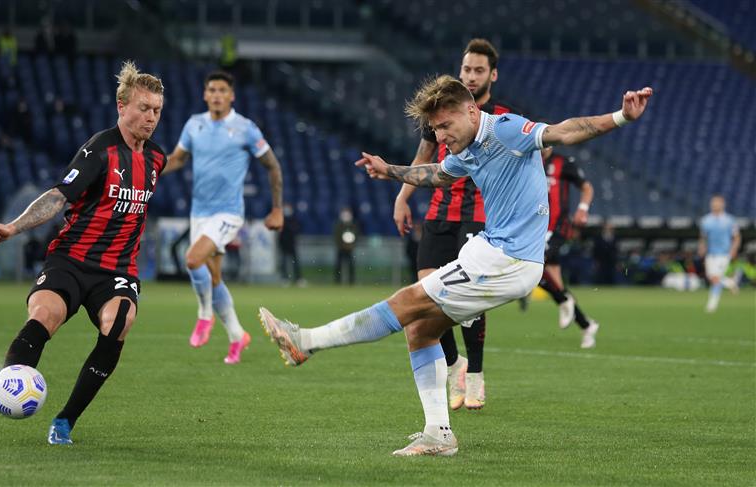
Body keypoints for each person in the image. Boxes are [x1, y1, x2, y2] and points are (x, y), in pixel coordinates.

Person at [260, 75, 653, 456]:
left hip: (509, 258)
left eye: (445, 126)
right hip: (492, 250)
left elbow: (565, 132)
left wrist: (621, 117)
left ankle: (306, 342)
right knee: (421, 330)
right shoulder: (466, 150)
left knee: (406, 302)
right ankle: (439, 433)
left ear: (469, 110)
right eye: (436, 129)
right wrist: (390, 170)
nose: (441, 136)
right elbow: (437, 174)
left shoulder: (505, 130)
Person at [0, 61, 165, 445]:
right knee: (45, 315)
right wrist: (12, 227)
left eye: (157, 110)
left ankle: (64, 422)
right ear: (121, 106)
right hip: (71, 260)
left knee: (120, 322)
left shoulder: (157, 158)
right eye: (144, 108)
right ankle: (4, 387)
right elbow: (58, 196)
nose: (151, 117)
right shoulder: (99, 150)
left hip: (117, 270)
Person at [393, 38, 524, 411]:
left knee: (468, 297)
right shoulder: (441, 111)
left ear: (492, 75)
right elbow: (424, 157)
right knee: (426, 291)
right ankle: (455, 367)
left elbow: (532, 153)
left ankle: (477, 376)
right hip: (438, 212)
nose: (470, 75)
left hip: (478, 213)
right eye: (466, 68)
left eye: (478, 70)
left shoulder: (501, 118)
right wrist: (402, 198)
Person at [163, 70, 284, 364]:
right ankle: (237, 336)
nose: (217, 95)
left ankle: (204, 316)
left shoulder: (245, 128)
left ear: (231, 96)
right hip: (199, 213)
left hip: (229, 212)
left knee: (192, 259)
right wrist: (147, 172)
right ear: (205, 94)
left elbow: (272, 166)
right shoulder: (195, 125)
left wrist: (277, 208)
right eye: (212, 90)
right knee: (214, 278)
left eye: (222, 90)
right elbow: (178, 158)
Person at [537, 147, 600, 348]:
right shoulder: (529, 161)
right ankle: (586, 324)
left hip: (558, 226)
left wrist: (582, 209)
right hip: (537, 229)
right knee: (553, 280)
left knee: (532, 267)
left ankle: (564, 300)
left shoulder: (563, 163)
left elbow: (587, 187)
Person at [698, 195, 740, 312]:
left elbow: (736, 237)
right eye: (713, 203)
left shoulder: (729, 220)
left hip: (723, 253)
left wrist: (733, 250)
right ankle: (731, 282)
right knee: (711, 277)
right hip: (711, 254)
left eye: (717, 203)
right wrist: (702, 247)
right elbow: (703, 237)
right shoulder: (706, 220)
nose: (715, 205)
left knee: (716, 278)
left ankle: (712, 305)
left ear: (722, 204)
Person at [279, 203, 303, 285]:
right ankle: (284, 278)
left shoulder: (294, 219)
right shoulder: (281, 219)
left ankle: (298, 279)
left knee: (295, 262)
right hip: (283, 244)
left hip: (292, 243)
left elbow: (296, 229)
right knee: (284, 262)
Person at [333, 207, 358, 284]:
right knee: (338, 265)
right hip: (340, 248)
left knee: (351, 265)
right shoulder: (338, 225)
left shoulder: (353, 225)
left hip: (350, 248)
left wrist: (351, 245)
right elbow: (336, 236)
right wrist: (341, 245)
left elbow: (356, 235)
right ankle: (337, 281)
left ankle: (351, 281)